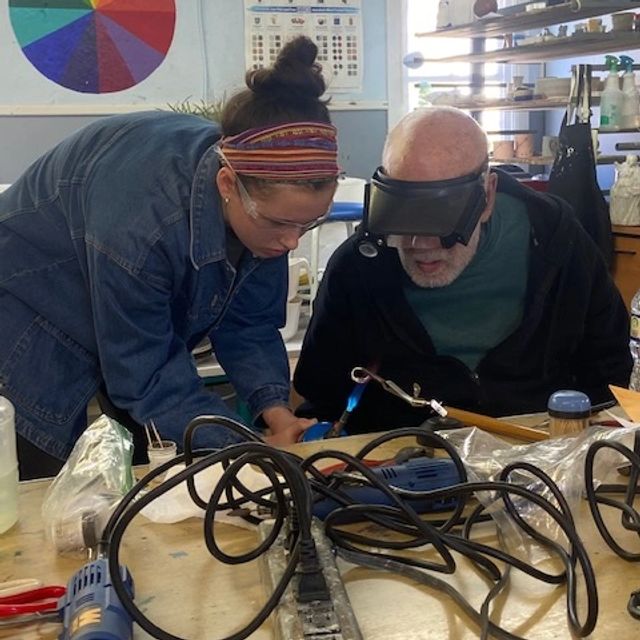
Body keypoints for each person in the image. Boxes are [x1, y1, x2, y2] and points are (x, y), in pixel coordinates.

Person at [0, 36, 339, 479]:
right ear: (226, 185)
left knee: (154, 463)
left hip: (122, 297)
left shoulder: (263, 191)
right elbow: (146, 373)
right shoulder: (141, 224)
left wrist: (278, 414)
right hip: (33, 311)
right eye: (280, 225)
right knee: (41, 494)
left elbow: (249, 322)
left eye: (307, 225)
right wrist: (252, 450)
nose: (291, 243)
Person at [294, 106, 632, 433]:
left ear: (486, 197)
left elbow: (612, 373)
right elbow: (321, 402)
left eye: (440, 226)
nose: (420, 245)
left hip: (540, 453)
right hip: (400, 462)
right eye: (403, 221)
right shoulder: (358, 268)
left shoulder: (557, 242)